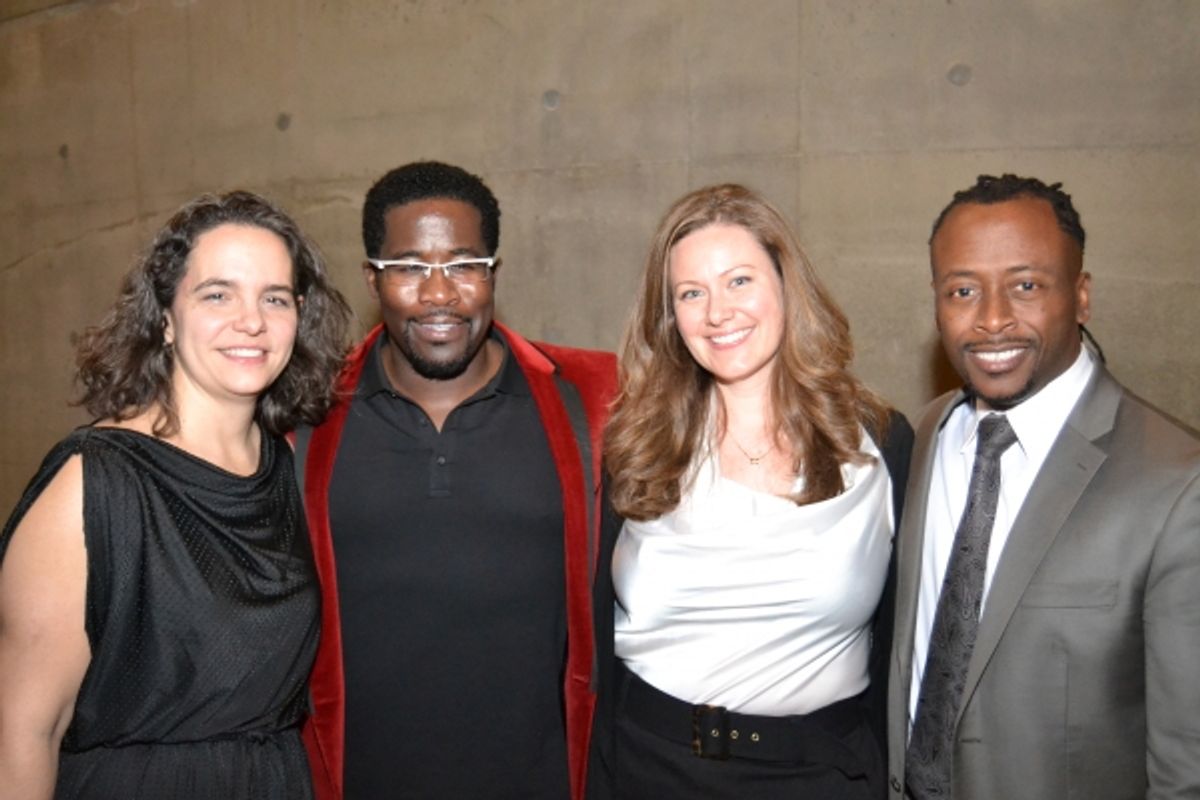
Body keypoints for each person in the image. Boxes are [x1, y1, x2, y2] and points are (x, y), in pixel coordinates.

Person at [0, 190, 351, 800]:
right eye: (217, 294)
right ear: (164, 317)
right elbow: (22, 733)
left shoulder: (290, 466)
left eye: (275, 298)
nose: (252, 321)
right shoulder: (94, 483)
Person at [295, 160, 618, 800]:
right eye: (410, 268)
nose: (439, 294)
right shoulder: (305, 418)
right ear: (372, 279)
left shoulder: (591, 400)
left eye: (464, 265)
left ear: (492, 273)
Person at [886, 174, 1200, 799]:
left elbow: (1187, 765)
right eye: (963, 290)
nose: (993, 319)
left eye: (1026, 286)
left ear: (1081, 297)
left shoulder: (1178, 483)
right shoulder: (919, 438)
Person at [602, 183, 913, 799]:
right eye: (692, 293)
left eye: (740, 280)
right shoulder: (631, 444)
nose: (718, 312)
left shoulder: (879, 443)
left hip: (820, 774)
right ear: (671, 316)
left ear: (784, 285)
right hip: (649, 768)